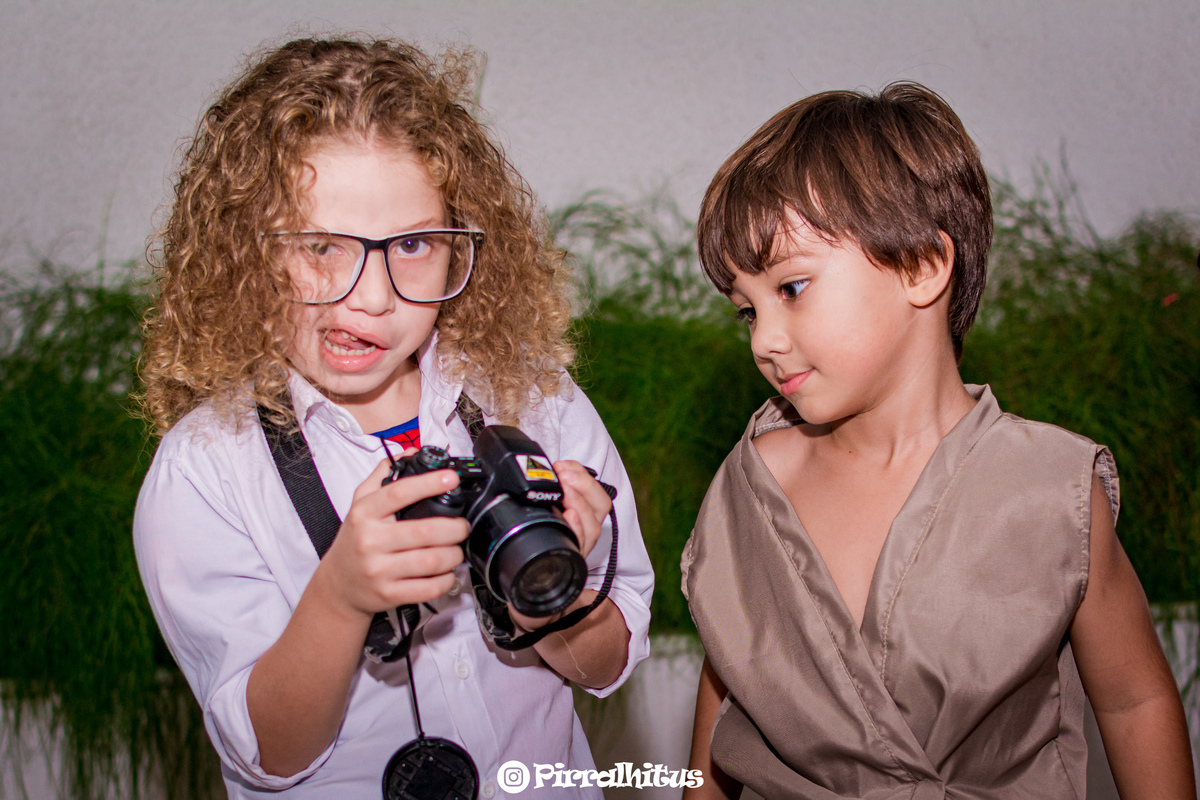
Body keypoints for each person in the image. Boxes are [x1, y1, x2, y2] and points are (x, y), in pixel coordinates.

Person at [133, 35, 653, 799]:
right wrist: (341, 598)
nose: (370, 295)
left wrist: (554, 595)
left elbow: (606, 667)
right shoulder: (205, 469)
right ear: (244, 252)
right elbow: (270, 753)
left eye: (411, 243)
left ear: (461, 244)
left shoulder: (536, 402)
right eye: (321, 246)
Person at [681, 83, 1195, 799]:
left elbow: (1134, 701)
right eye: (746, 311)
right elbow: (727, 690)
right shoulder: (751, 484)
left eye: (791, 288)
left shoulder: (1052, 490)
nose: (766, 340)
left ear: (923, 265)